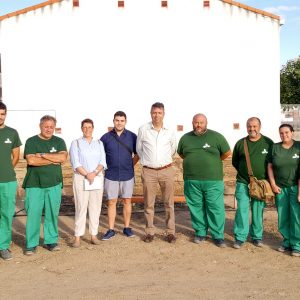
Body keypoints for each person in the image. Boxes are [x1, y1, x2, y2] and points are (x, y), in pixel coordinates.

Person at [177, 113, 231, 247]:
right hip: (192, 180)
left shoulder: (216, 137)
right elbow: (182, 153)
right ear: (192, 123)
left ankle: (218, 235)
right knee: (196, 207)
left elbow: (226, 153)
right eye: (196, 122)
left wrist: (210, 163)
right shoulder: (185, 138)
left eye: (201, 122)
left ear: (206, 123)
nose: (198, 125)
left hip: (213, 180)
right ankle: (200, 233)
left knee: (215, 208)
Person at [22, 115, 67, 255]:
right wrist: (53, 159)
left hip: (54, 183)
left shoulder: (59, 141)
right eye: (46, 126)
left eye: (51, 127)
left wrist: (42, 155)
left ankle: (51, 241)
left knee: (52, 214)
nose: (49, 129)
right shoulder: (31, 141)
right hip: (34, 184)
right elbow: (31, 161)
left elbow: (63, 158)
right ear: (40, 126)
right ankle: (31, 244)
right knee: (33, 214)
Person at [137, 102, 177, 243]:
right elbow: (139, 149)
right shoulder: (143, 129)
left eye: (159, 113)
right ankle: (149, 232)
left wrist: (162, 161)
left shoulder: (170, 131)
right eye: (154, 112)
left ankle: (170, 232)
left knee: (169, 203)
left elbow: (173, 149)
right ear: (150, 113)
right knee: (149, 203)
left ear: (164, 114)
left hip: (167, 170)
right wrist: (151, 161)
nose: (157, 115)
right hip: (149, 172)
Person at [232, 117, 273, 249]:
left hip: (261, 184)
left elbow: (272, 163)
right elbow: (235, 162)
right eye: (249, 126)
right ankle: (240, 237)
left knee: (257, 210)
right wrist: (247, 176)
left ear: (260, 127)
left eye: (255, 126)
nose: (252, 129)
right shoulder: (240, 143)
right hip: (243, 182)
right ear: (246, 127)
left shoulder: (268, 143)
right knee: (242, 209)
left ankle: (257, 237)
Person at [100, 111, 139, 240]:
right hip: (111, 175)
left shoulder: (132, 136)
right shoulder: (105, 138)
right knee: (111, 202)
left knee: (127, 201)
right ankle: (111, 229)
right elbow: (101, 156)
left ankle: (127, 227)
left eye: (122, 120)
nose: (119, 123)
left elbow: (137, 154)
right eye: (117, 120)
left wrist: (129, 164)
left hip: (127, 174)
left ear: (125, 122)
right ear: (113, 121)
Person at [70, 119, 107, 247]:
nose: (87, 129)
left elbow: (103, 160)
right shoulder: (76, 143)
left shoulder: (99, 143)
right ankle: (78, 237)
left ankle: (93, 235)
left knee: (95, 207)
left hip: (96, 177)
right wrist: (87, 174)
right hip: (81, 177)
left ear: (93, 128)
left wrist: (94, 173)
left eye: (89, 127)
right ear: (81, 128)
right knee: (81, 207)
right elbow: (75, 162)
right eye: (85, 127)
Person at [267, 124, 300, 257]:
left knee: (296, 217)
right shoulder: (275, 147)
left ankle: (297, 245)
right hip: (280, 188)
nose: (284, 135)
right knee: (283, 216)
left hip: (295, 187)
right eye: (281, 133)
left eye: (287, 132)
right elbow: (269, 167)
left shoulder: (298, 146)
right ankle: (286, 242)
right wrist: (273, 185)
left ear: (292, 133)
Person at [0, 102, 22, 261]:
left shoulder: (12, 133)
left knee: (6, 214)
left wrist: (7, 169)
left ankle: (3, 246)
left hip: (7, 180)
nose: (0, 117)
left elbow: (15, 157)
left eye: (3, 114)